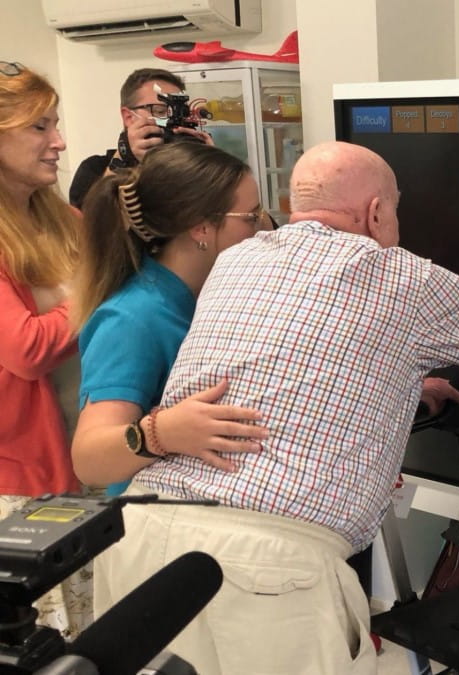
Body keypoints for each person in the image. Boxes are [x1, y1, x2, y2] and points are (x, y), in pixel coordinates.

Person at [92, 141, 459, 674]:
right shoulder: (401, 277)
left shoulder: (235, 260)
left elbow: (291, 366)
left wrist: (400, 382)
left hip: (141, 543)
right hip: (264, 570)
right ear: (376, 212)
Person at [71, 142, 271, 496]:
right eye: (251, 218)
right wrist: (163, 433)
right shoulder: (132, 318)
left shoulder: (211, 295)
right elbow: (89, 460)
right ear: (200, 228)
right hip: (156, 525)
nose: (263, 231)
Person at [0, 60, 89, 637]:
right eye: (39, 127)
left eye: (56, 124)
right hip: (24, 484)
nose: (59, 142)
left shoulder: (67, 220)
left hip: (91, 455)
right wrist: (97, 282)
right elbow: (27, 351)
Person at [67, 68, 209, 208]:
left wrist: (210, 166)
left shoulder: (189, 169)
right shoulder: (95, 168)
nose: (172, 122)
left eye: (180, 113)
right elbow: (88, 224)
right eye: (160, 111)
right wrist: (123, 159)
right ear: (128, 117)